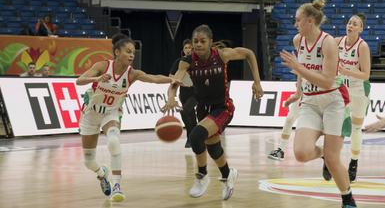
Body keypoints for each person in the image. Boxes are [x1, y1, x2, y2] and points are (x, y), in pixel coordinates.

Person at [162, 24, 263, 200]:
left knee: (195, 136)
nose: (198, 44)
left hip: (222, 107)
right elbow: (175, 81)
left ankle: (202, 176)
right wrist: (171, 97)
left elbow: (249, 54)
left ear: (210, 42)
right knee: (213, 147)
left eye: (202, 41)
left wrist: (257, 82)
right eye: (195, 41)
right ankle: (227, 174)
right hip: (203, 108)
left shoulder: (222, 55)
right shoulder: (187, 61)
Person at [77, 33, 180, 202]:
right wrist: (97, 78)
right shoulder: (103, 66)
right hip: (90, 113)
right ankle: (102, 173)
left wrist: (172, 79)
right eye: (128, 51)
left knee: (113, 141)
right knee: (89, 161)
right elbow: (79, 81)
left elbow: (153, 78)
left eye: (133, 52)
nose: (132, 55)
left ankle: (117, 185)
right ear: (117, 52)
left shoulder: (132, 74)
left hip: (111, 112)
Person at [280, 0, 357, 208]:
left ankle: (348, 199)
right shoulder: (298, 40)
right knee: (301, 153)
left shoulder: (328, 42)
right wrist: (298, 91)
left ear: (310, 20)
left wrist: (297, 66)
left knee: (334, 160)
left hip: (334, 101)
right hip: (311, 102)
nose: (295, 24)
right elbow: (301, 71)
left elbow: (326, 80)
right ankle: (321, 153)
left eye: (298, 20)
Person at [333, 13, 371, 183]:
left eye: (355, 24)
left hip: (358, 89)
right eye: (349, 22)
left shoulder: (362, 47)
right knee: (333, 125)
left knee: (356, 127)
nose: (351, 25)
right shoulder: (336, 42)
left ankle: (353, 162)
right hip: (340, 86)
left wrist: (346, 71)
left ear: (361, 29)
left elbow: (365, 74)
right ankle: (329, 159)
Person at [169, 39, 197, 148]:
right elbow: (171, 75)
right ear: (183, 50)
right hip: (184, 93)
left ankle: (190, 138)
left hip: (196, 92)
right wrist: (178, 81)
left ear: (193, 49)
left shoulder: (196, 61)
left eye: (190, 47)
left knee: (185, 111)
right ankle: (194, 138)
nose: (188, 50)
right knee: (190, 115)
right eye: (186, 48)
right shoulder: (179, 62)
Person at [267, 95, 300, 161]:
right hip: (304, 95)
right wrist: (289, 101)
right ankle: (280, 150)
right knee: (289, 119)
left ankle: (324, 151)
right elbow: (299, 88)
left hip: (320, 97)